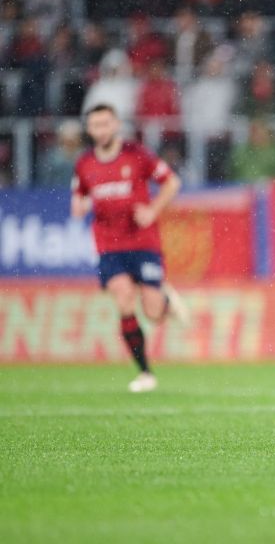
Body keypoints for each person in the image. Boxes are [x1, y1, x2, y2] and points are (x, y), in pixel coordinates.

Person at [71, 104, 189, 393]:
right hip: (109, 246)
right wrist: (79, 205)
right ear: (89, 129)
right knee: (123, 299)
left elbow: (172, 182)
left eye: (106, 124)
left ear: (116, 125)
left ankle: (164, 300)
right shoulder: (84, 164)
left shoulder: (137, 155)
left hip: (143, 242)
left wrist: (152, 210)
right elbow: (79, 198)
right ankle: (145, 372)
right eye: (96, 125)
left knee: (152, 312)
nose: (101, 130)